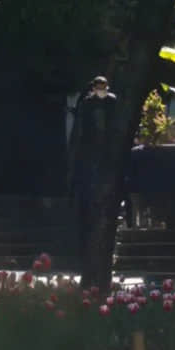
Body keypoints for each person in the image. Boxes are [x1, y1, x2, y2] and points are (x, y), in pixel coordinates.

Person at [68, 75, 119, 263]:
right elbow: (82, 128)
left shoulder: (112, 102)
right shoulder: (87, 103)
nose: (101, 88)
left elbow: (114, 125)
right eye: (99, 85)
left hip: (105, 148)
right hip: (90, 149)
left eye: (103, 85)